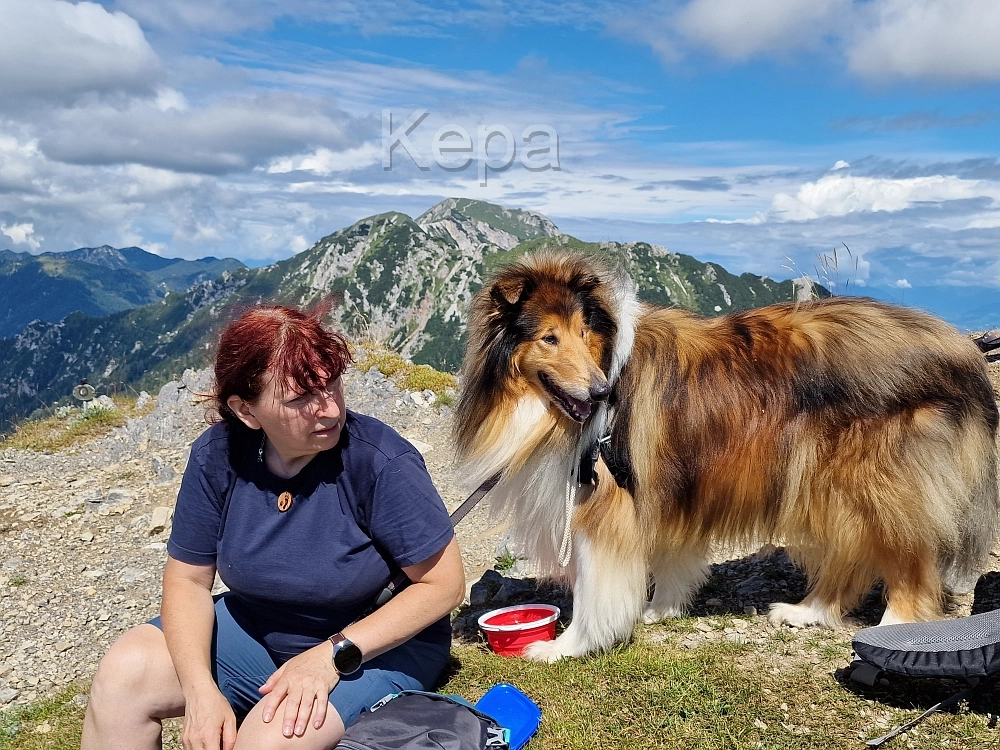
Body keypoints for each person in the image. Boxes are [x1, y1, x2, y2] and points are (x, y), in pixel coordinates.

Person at [81, 304, 466, 750]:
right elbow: (187, 580)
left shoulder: (380, 461)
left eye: (332, 384)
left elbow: (444, 585)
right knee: (123, 675)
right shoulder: (218, 455)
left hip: (370, 647)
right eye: (300, 398)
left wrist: (330, 656)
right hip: (255, 632)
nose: (329, 409)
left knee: (268, 739)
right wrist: (200, 690)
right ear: (246, 410)